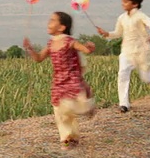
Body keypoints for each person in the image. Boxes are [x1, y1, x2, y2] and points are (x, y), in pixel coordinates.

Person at [23, 11, 96, 150]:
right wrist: (30, 48)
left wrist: (89, 47)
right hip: (58, 81)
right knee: (60, 112)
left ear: (62, 27)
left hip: (72, 78)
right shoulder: (51, 44)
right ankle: (68, 138)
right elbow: (38, 58)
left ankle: (88, 107)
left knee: (73, 104)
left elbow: (84, 50)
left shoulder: (69, 41)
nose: (48, 23)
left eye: (52, 20)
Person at [96, 0, 150, 113]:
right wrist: (106, 34)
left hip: (142, 51)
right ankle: (124, 104)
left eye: (125, 2)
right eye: (122, 1)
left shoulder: (140, 16)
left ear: (135, 4)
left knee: (146, 77)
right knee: (122, 74)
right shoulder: (122, 18)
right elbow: (118, 33)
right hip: (127, 52)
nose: (123, 4)